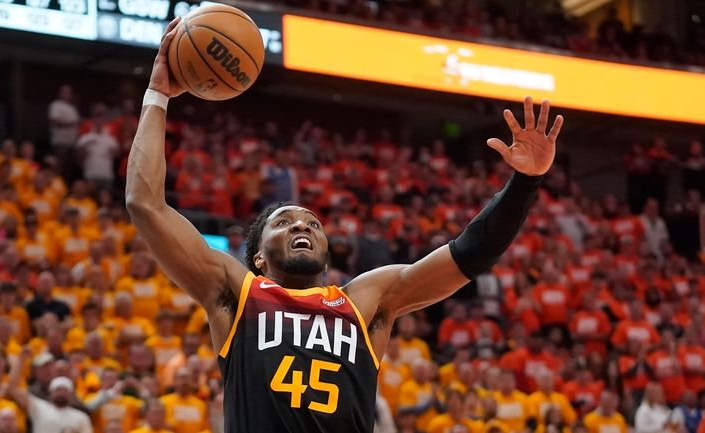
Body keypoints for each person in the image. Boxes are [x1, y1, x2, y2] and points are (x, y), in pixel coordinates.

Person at [125, 17, 564, 433]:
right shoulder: (237, 293)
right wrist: (157, 94)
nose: (303, 226)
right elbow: (145, 203)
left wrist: (525, 183)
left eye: (312, 222)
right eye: (284, 222)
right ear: (257, 256)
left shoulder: (366, 300)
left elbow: (468, 254)